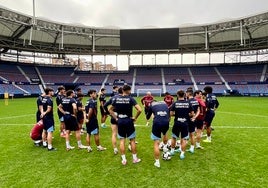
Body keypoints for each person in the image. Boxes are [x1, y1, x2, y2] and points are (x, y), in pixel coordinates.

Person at [109, 85, 142, 165]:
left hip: (120, 121)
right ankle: (134, 159)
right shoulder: (131, 99)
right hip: (128, 121)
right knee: (132, 140)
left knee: (122, 140)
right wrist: (135, 118)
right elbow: (140, 110)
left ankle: (124, 160)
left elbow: (110, 109)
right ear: (128, 90)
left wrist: (116, 118)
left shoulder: (116, 98)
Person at [170, 90, 194, 159]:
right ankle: (182, 154)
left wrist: (177, 114)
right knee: (184, 139)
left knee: (174, 137)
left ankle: (172, 151)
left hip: (177, 123)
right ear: (184, 95)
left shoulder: (175, 103)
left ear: (177, 95)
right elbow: (192, 114)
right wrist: (187, 115)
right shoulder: (188, 103)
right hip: (185, 123)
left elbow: (171, 114)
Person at [146, 100, 170, 168]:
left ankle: (157, 162)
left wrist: (150, 117)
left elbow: (148, 116)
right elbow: (168, 115)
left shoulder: (152, 105)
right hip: (166, 122)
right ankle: (165, 147)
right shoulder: (164, 104)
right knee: (165, 133)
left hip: (157, 123)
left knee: (156, 142)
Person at [103, 87, 123, 155]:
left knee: (114, 133)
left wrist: (108, 113)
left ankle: (115, 149)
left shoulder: (113, 97)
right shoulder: (125, 97)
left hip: (113, 116)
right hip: (122, 117)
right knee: (124, 133)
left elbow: (105, 105)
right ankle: (127, 146)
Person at [186, 89, 200, 153]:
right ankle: (192, 148)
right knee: (191, 134)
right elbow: (198, 110)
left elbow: (186, 112)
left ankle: (181, 148)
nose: (186, 94)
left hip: (188, 119)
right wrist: (194, 117)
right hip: (193, 119)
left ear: (188, 94)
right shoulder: (196, 101)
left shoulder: (187, 101)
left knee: (185, 134)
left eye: (186, 93)